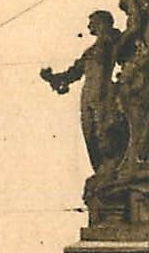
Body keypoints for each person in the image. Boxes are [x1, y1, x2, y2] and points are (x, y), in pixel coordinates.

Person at [41, 10, 123, 170]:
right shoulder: (90, 51)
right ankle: (101, 169)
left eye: (91, 21)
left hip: (104, 92)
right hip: (88, 94)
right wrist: (53, 78)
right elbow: (74, 72)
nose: (88, 26)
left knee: (105, 132)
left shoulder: (114, 40)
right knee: (90, 132)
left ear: (102, 22)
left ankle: (111, 167)